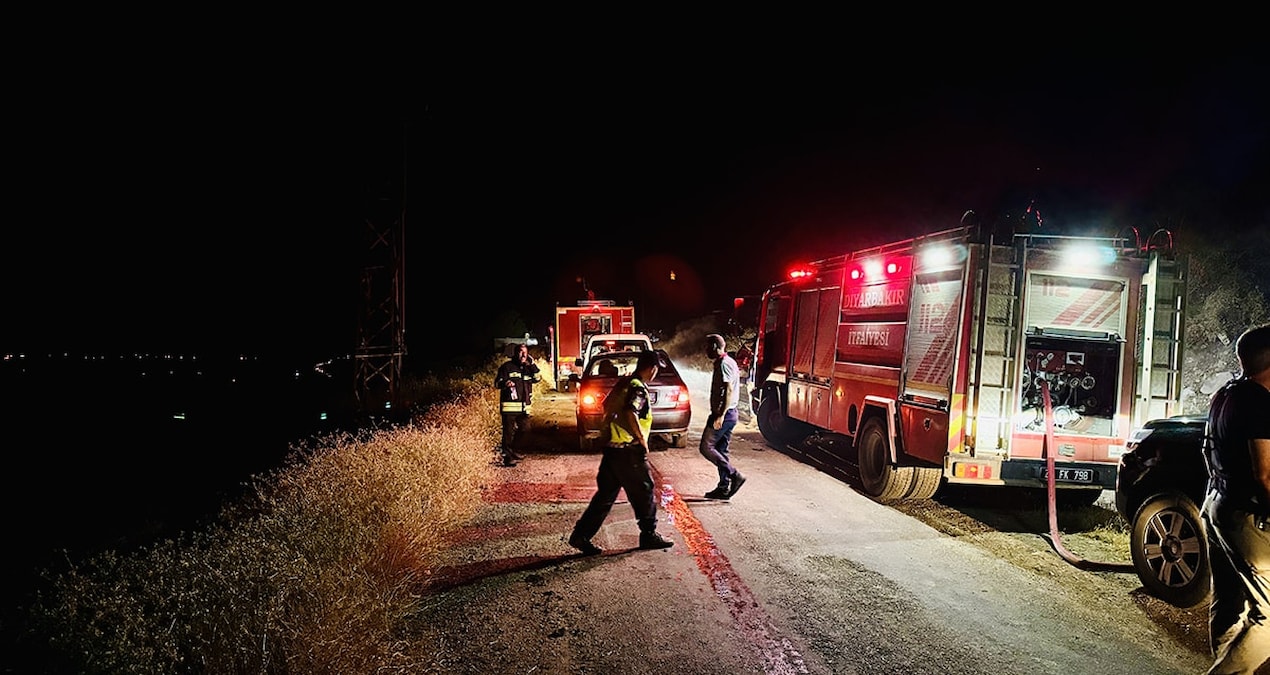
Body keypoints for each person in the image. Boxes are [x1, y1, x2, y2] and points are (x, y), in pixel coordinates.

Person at [1200, 323, 1270, 675]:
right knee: (1267, 617)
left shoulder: (1227, 393)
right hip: (1246, 517)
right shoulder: (1261, 403)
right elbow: (1265, 474)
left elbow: (1206, 449)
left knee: (1228, 602)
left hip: (1216, 503)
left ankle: (1225, 662)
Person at [569, 350, 675, 554]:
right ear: (651, 368)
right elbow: (630, 412)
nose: (655, 373)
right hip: (628, 451)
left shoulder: (624, 383)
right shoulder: (638, 389)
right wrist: (642, 439)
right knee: (644, 490)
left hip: (612, 450)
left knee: (605, 496)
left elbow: (606, 405)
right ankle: (649, 535)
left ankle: (580, 536)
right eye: (655, 369)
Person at [700, 333, 746, 500]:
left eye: (707, 346)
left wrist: (720, 415)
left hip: (724, 414)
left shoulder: (724, 364)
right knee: (721, 450)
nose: (705, 350)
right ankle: (723, 487)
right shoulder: (727, 362)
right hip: (729, 413)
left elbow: (728, 390)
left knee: (706, 447)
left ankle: (734, 475)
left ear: (714, 346)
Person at [495, 343, 542, 467]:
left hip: (523, 407)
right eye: (521, 352)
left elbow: (537, 378)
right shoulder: (506, 367)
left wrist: (532, 364)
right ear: (515, 353)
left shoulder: (528, 368)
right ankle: (507, 457)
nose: (523, 355)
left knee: (525, 430)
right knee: (508, 433)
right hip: (509, 407)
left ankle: (513, 450)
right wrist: (505, 383)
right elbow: (497, 383)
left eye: (525, 352)